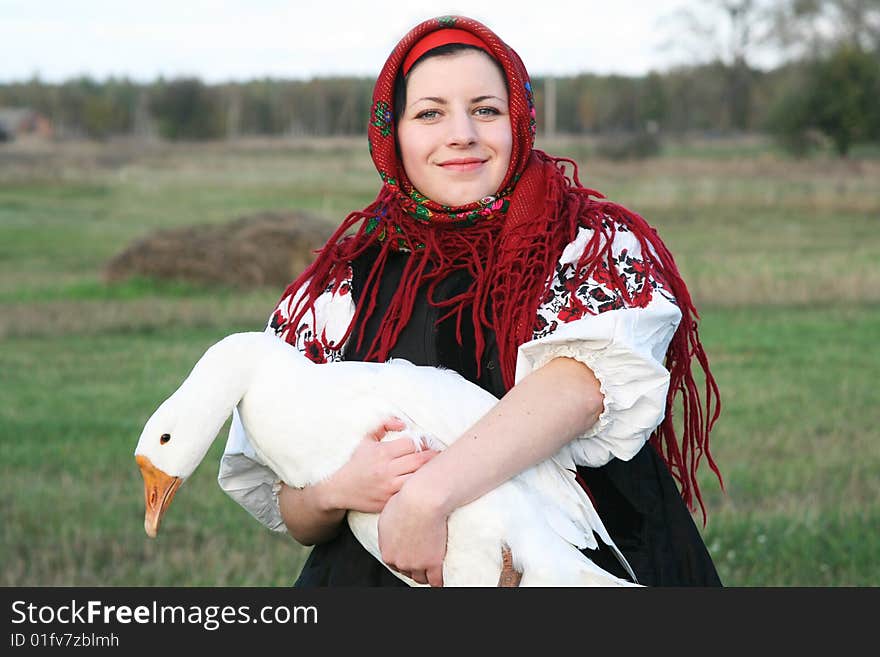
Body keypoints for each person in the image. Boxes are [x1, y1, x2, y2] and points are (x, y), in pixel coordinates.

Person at [218, 15, 723, 587]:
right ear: (393, 134)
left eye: (485, 109)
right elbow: (294, 509)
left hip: (585, 555)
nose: (461, 133)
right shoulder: (342, 284)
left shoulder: (590, 241)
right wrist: (338, 490)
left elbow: (582, 386)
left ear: (519, 122)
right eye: (430, 112)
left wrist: (428, 497)